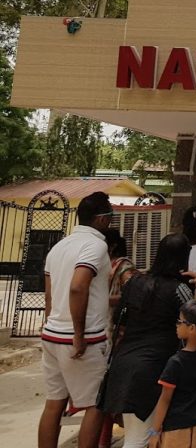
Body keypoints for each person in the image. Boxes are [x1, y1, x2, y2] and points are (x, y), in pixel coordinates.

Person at [100, 233, 196, 448]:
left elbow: (120, 322)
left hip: (125, 364)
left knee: (137, 436)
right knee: (139, 440)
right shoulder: (180, 289)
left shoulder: (135, 282)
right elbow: (194, 325)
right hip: (155, 370)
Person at [39, 191, 114, 448]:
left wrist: (52, 322)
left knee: (54, 401)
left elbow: (50, 294)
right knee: (96, 403)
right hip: (82, 338)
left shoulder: (59, 247)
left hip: (52, 334)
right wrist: (79, 335)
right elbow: (78, 286)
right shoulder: (96, 245)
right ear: (102, 220)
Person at [146, 300, 196, 448]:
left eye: (180, 322)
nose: (176, 325)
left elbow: (165, 399)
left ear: (192, 328)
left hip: (176, 429)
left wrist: (154, 432)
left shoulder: (176, 363)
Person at [100, 229, 137, 448]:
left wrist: (101, 300)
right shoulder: (102, 265)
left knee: (109, 388)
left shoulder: (124, 267)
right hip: (104, 330)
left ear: (111, 246)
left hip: (115, 332)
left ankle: (105, 438)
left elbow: (131, 294)